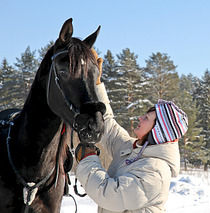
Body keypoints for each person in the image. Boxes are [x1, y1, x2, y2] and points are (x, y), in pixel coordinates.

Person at [75, 50, 188, 213]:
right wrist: (96, 83)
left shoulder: (156, 171)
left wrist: (88, 159)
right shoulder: (132, 151)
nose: (141, 118)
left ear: (159, 131)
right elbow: (109, 126)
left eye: (147, 118)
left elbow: (108, 194)